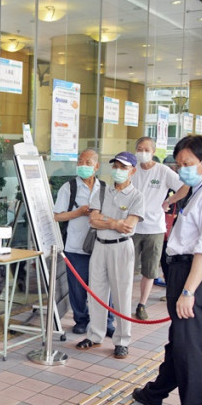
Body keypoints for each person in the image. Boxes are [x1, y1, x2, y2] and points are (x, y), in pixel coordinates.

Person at [133, 135, 202, 405]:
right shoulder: (196, 190)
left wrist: (188, 292)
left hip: (191, 274)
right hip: (180, 270)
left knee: (189, 346)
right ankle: (154, 393)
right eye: (180, 163)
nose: (183, 169)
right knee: (179, 340)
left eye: (189, 164)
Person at [75, 151, 144, 359]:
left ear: (132, 170)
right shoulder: (102, 192)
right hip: (100, 245)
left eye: (123, 167)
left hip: (121, 248)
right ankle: (95, 335)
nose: (118, 171)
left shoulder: (136, 196)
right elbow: (93, 220)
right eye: (115, 166)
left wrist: (105, 219)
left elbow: (129, 227)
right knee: (96, 291)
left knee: (121, 294)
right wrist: (114, 222)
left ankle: (122, 340)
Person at [54, 148, 115, 337]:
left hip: (101, 246)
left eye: (88, 163)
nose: (83, 166)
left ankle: (108, 321)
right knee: (77, 288)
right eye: (80, 162)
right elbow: (57, 216)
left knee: (104, 286)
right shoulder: (69, 187)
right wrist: (79, 212)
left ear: (96, 166)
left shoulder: (105, 188)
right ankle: (81, 320)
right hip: (75, 246)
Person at [130, 137, 189, 320]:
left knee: (149, 268)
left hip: (154, 228)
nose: (143, 152)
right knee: (126, 266)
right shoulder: (131, 169)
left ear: (153, 151)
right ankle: (120, 302)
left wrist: (169, 201)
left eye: (146, 149)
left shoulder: (163, 171)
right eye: (139, 149)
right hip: (131, 226)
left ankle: (142, 304)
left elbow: (184, 187)